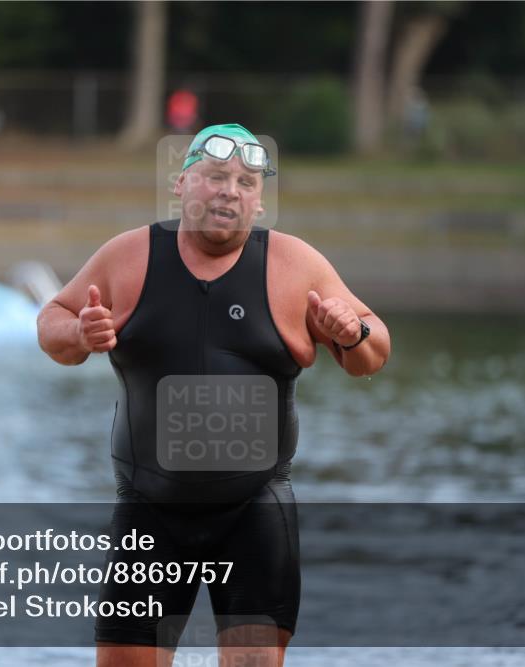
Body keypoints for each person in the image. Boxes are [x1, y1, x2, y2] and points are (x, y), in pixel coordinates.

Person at [37, 123, 391, 667]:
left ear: (260, 201)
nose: (230, 190)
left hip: (253, 512)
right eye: (216, 176)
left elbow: (373, 351)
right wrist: (80, 334)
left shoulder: (294, 266)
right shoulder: (129, 257)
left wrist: (352, 332)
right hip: (149, 509)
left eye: (247, 182)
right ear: (180, 185)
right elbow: (51, 323)